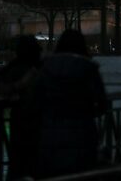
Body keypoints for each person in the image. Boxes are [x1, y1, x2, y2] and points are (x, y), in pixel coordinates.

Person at [33, 29, 108, 178]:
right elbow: (101, 103)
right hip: (82, 134)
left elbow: (36, 99)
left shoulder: (46, 67)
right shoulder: (88, 67)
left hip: (51, 133)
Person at [0, 35, 42, 180]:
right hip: (39, 125)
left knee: (17, 164)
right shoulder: (39, 69)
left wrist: (16, 87)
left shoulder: (12, 69)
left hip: (18, 122)